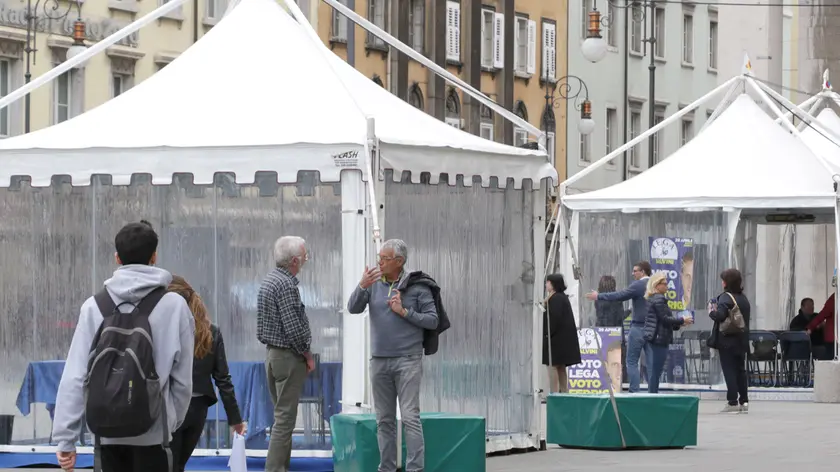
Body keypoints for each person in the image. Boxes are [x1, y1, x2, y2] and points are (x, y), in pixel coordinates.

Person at [53, 220, 195, 472]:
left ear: (117, 258)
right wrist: (170, 422)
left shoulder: (94, 306)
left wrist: (66, 438)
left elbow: (75, 375)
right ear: (154, 257)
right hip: (154, 433)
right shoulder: (174, 306)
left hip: (106, 431)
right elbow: (182, 379)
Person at [348, 239, 439, 472]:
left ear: (399, 261)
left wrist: (405, 312)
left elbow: (432, 320)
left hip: (408, 360)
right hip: (379, 360)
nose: (379, 262)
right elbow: (353, 308)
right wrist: (361, 285)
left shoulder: (418, 286)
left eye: (384, 259)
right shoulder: (373, 283)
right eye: (379, 258)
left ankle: (414, 468)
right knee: (384, 420)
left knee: (410, 417)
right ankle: (386, 468)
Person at [168, 276, 246, 472]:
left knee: (169, 464)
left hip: (170, 406)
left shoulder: (165, 330)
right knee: (179, 465)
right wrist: (235, 419)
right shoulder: (211, 332)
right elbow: (223, 379)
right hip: (197, 409)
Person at [257, 236, 315, 472]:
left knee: (281, 417)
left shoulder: (269, 281)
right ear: (294, 261)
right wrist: (308, 355)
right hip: (288, 358)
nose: (305, 260)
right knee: (285, 420)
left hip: (272, 356)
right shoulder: (287, 286)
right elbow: (293, 329)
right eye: (304, 256)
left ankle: (282, 467)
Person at [586, 261, 652, 393]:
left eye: (635, 271)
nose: (632, 274)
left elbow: (619, 298)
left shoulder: (599, 301)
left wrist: (598, 296)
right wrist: (629, 311)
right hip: (620, 333)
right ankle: (643, 389)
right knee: (627, 362)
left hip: (603, 332)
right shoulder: (653, 285)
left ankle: (614, 386)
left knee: (624, 361)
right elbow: (619, 316)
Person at [708, 268, 751, 414]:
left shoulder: (726, 297)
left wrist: (711, 312)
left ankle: (732, 401)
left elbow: (720, 316)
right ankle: (744, 402)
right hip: (742, 339)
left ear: (726, 282)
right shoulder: (743, 298)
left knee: (729, 371)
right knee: (741, 371)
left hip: (727, 340)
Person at [643, 274, 693, 393]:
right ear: (657, 285)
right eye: (664, 284)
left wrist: (679, 324)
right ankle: (652, 395)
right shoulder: (658, 299)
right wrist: (682, 320)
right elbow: (664, 318)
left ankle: (653, 393)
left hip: (657, 337)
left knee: (655, 370)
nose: (667, 286)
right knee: (656, 370)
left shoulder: (656, 299)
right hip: (658, 338)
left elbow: (665, 320)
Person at [543, 274, 582, 393]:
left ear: (553, 284)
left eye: (547, 282)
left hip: (555, 340)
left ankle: (554, 393)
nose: (546, 285)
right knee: (561, 368)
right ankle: (564, 392)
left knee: (553, 367)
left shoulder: (555, 299)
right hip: (562, 340)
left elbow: (554, 319)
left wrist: (546, 333)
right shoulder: (562, 297)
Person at [807, 278, 836, 361]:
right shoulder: (834, 298)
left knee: (829, 360)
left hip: (833, 337)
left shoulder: (834, 298)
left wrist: (810, 328)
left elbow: (822, 315)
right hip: (834, 337)